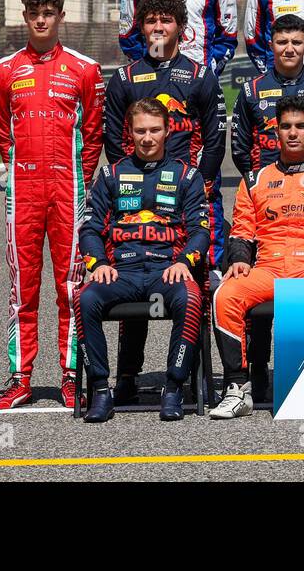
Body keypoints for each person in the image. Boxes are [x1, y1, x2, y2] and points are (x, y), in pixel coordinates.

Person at [104, 0, 227, 403]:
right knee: (131, 273)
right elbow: (113, 141)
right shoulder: (124, 78)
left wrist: (200, 187)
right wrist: (133, 189)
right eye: (151, 21)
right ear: (140, 27)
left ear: (181, 28)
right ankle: (126, 376)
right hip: (136, 202)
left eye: (166, 21)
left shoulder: (200, 76)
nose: (158, 28)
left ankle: (192, 373)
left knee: (194, 284)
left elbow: (214, 141)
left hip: (188, 200)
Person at [0, 0, 105, 410]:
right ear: (25, 17)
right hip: (23, 187)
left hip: (69, 186)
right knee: (23, 285)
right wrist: (18, 169)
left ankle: (71, 375)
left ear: (60, 16)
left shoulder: (84, 69)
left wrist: (80, 175)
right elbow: (2, 129)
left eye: (48, 12)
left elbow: (94, 132)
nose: (41, 19)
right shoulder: (3, 71)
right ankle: (20, 377)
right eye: (34, 13)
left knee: (71, 285)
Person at [210, 96, 304, 419]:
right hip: (268, 268)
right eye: (286, 127)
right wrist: (239, 258)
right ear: (275, 133)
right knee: (226, 294)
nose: (293, 133)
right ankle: (239, 388)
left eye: (301, 127)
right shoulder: (254, 180)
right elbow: (241, 232)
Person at [77, 98, 209, 423]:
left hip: (167, 271)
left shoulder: (188, 176)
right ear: (130, 133)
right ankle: (100, 390)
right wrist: (98, 264)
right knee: (84, 298)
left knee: (191, 297)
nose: (147, 138)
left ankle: (175, 387)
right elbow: (90, 228)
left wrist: (185, 261)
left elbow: (200, 230)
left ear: (167, 131)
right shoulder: (111, 175)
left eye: (154, 130)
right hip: (122, 272)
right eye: (140, 131)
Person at [231, 14, 304, 175]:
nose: (290, 49)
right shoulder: (251, 90)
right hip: (266, 187)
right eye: (282, 42)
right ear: (271, 46)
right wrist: (258, 180)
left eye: (296, 42)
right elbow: (239, 149)